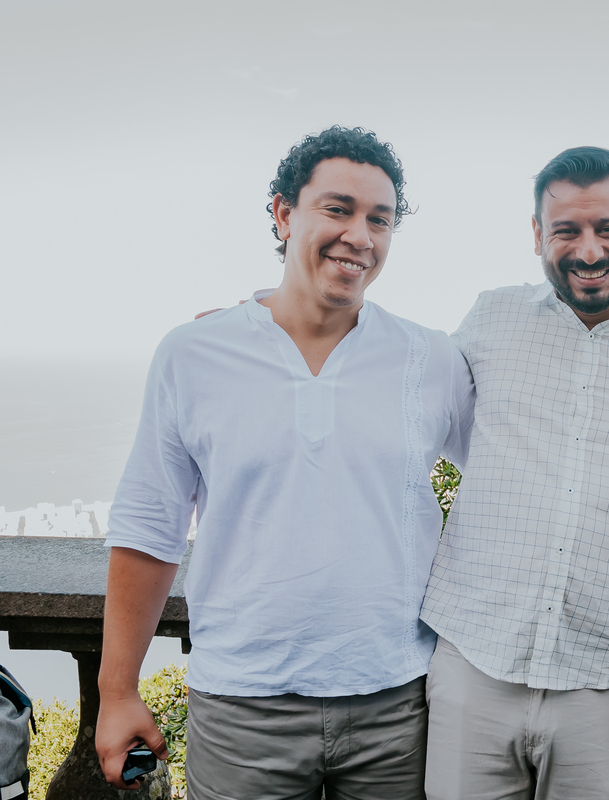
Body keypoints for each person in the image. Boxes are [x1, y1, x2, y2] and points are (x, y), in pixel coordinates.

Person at [95, 126, 474, 798]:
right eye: (338, 209)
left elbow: (509, 477)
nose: (361, 235)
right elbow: (149, 524)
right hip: (242, 711)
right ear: (283, 213)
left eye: (379, 219)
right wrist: (117, 689)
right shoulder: (194, 353)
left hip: (399, 707)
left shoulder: (432, 359)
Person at [419, 146, 609, 800]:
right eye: (567, 231)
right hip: (474, 660)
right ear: (539, 235)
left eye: (608, 228)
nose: (589, 250)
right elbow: (399, 390)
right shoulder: (492, 316)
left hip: (604, 679)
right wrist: (272, 330)